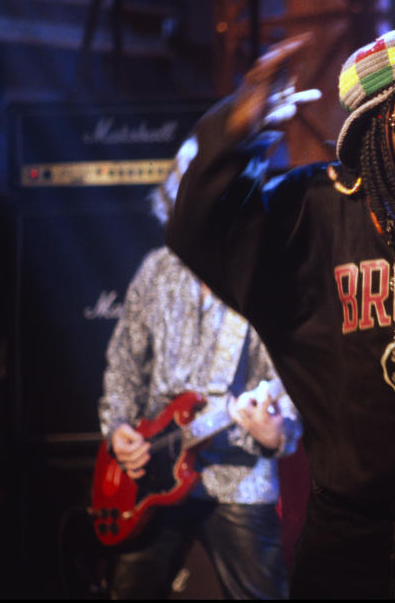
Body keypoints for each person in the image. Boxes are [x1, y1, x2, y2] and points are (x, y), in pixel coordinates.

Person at [164, 26, 395, 598]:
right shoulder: (314, 211)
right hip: (352, 544)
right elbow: (197, 227)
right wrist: (238, 129)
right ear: (372, 133)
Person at [98, 147, 303, 600]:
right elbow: (124, 364)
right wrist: (117, 430)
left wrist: (276, 432)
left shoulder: (267, 276)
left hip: (239, 477)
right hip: (150, 473)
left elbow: (291, 383)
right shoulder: (157, 270)